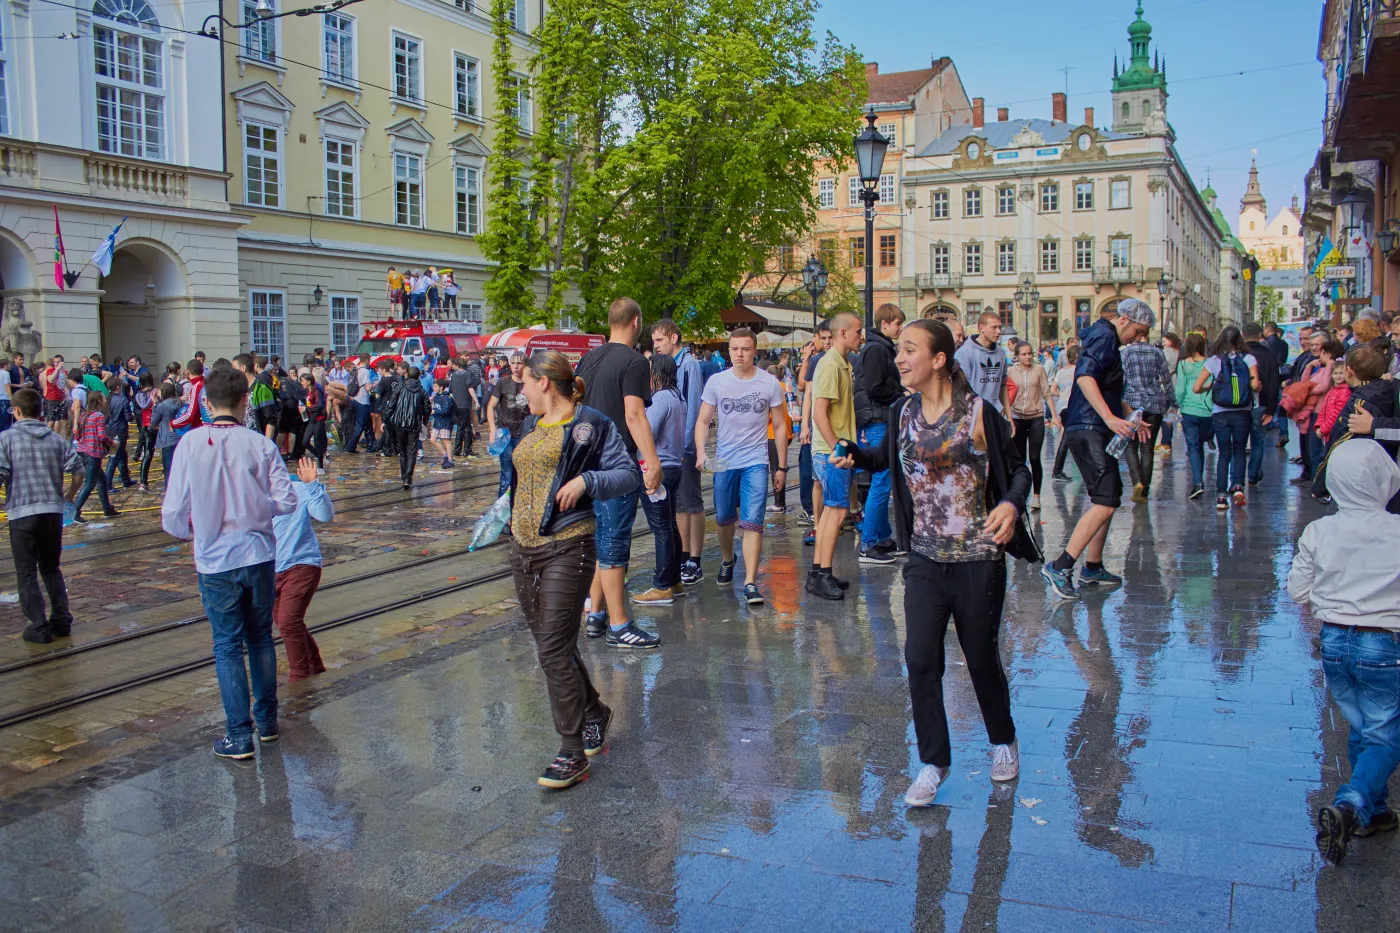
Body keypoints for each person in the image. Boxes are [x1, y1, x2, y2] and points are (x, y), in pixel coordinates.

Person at [834, 319, 1037, 806]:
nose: (899, 358)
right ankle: (933, 761)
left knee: (982, 659)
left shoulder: (978, 414)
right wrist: (855, 454)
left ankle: (1002, 739)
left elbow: (1020, 470)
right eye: (899, 350)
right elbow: (885, 458)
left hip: (977, 559)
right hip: (924, 556)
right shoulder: (902, 411)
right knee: (920, 658)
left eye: (909, 350)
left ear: (939, 360)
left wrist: (1010, 504)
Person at [508, 350, 640, 788]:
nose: (520, 390)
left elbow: (627, 475)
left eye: (524, 381)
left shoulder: (591, 425)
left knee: (550, 650)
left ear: (544, 382)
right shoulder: (529, 425)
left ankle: (571, 753)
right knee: (556, 649)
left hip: (568, 546)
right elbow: (523, 482)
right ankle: (594, 712)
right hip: (523, 550)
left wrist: (588, 481)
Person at [162, 366, 300, 760]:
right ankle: (268, 723)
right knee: (259, 638)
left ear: (205, 403)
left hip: (215, 558)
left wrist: (193, 532)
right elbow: (287, 501)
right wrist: (258, 507)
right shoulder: (260, 445)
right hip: (257, 554)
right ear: (245, 403)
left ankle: (239, 735)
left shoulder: (189, 444)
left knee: (226, 645)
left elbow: (173, 512)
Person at [1288, 440, 1400, 863]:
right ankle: (1351, 803)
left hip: (1335, 643)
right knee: (1387, 735)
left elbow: (1297, 589)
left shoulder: (1319, 530)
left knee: (1362, 724)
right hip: (1384, 643)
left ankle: (1376, 810)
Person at [1040, 298, 1154, 600]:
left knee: (1109, 496)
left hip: (1092, 427)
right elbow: (1087, 378)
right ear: (1126, 320)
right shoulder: (1104, 335)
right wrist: (1110, 418)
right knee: (1105, 499)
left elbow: (1106, 387)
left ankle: (1092, 566)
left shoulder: (1107, 338)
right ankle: (1060, 566)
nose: (1139, 339)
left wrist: (1130, 417)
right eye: (1139, 331)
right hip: (1088, 427)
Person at [575, 297, 663, 648]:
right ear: (636, 322)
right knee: (613, 541)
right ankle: (619, 624)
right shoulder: (634, 361)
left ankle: (596, 614)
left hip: (587, 460)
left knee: (600, 539)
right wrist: (652, 461)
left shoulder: (588, 358)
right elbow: (634, 414)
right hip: (616, 462)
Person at [694, 329, 787, 605]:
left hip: (756, 461)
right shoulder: (717, 382)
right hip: (724, 461)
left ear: (754, 351)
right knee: (724, 517)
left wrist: (781, 466)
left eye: (745, 349)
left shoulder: (769, 383)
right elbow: (702, 421)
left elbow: (780, 426)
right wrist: (701, 452)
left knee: (753, 522)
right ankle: (727, 558)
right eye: (734, 349)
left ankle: (750, 582)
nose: (739, 354)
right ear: (729, 350)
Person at [0, 388, 81, 643]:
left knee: (26, 571)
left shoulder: (6, 439)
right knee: (50, 568)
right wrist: (68, 496)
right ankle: (61, 619)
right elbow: (78, 471)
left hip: (22, 512)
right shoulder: (56, 439)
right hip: (52, 513)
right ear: (40, 411)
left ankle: (38, 625)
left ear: (16, 411)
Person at [808, 312, 863, 600]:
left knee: (832, 510)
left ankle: (818, 572)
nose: (860, 335)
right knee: (838, 510)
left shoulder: (841, 364)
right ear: (842, 333)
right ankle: (822, 575)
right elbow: (819, 412)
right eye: (857, 331)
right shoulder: (831, 365)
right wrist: (837, 449)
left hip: (833, 449)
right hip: (832, 453)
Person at [651, 320, 707, 585]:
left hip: (684, 447)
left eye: (659, 340)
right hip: (675, 449)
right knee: (679, 505)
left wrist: (687, 447)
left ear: (673, 338)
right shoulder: (672, 366)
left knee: (691, 502)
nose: (656, 346)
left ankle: (694, 560)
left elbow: (692, 407)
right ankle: (683, 555)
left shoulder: (689, 365)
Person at [633, 353, 687, 605]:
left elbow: (647, 431)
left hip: (658, 469)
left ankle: (662, 585)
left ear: (655, 374)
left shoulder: (661, 399)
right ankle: (674, 580)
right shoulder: (678, 396)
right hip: (675, 466)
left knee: (661, 528)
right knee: (669, 525)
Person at [272, 457, 332, 682]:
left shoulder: (298, 488)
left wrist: (312, 484)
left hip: (301, 565)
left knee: (288, 622)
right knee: (286, 622)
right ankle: (315, 666)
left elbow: (325, 515)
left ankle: (299, 676)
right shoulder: (250, 494)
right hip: (269, 569)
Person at [855, 304, 906, 562]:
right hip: (878, 418)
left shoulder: (879, 347)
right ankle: (869, 543)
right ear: (885, 323)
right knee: (881, 480)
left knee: (883, 479)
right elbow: (875, 389)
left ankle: (882, 537)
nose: (900, 328)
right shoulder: (876, 349)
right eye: (898, 323)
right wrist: (901, 394)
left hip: (878, 417)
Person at [1192, 325, 1260, 510]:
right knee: (1239, 450)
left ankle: (1221, 496)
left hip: (1220, 412)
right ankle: (1238, 486)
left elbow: (1196, 388)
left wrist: (1210, 387)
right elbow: (1255, 387)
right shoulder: (1248, 358)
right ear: (1241, 340)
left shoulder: (1214, 360)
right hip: (1243, 411)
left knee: (1224, 452)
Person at [1120, 331, 1172, 502]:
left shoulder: (1125, 353)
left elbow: (1122, 379)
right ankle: (1145, 490)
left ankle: (1137, 482)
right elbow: (1166, 379)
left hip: (1132, 403)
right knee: (1147, 447)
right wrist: (1170, 402)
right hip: (1154, 403)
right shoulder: (1157, 352)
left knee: (1130, 445)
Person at [797, 322, 834, 543]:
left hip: (838, 426)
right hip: (817, 427)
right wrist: (805, 425)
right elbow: (805, 389)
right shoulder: (817, 361)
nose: (828, 342)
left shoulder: (848, 360)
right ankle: (818, 521)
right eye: (825, 338)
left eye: (831, 337)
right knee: (816, 477)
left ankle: (841, 514)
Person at [1008, 340, 1051, 510]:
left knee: (1034, 457)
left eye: (1030, 353)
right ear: (1017, 356)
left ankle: (1036, 495)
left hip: (1036, 418)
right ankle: (1019, 494)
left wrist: (1054, 416)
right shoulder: (1010, 371)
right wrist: (1005, 415)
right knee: (1019, 459)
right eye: (1024, 354)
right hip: (1017, 417)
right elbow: (1007, 394)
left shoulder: (1039, 369)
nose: (1027, 357)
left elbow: (1047, 393)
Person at [1292, 336, 1340, 484]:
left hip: (1320, 410)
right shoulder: (1322, 368)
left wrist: (1307, 392)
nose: (1316, 350)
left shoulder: (1331, 366)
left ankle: (1316, 481)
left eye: (1320, 348)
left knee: (1315, 449)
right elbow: (1305, 382)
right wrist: (1309, 367)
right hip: (1313, 410)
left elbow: (1324, 386)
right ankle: (1311, 477)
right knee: (1309, 446)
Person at [1173, 333, 1214, 500]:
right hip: (1208, 409)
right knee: (1200, 444)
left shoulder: (1183, 364)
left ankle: (1198, 482)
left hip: (1189, 409)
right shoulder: (1210, 363)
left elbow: (1181, 389)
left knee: (1193, 446)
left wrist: (1178, 404)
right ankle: (1199, 479)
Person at [70, 389, 117, 524]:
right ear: (98, 401)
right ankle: (75, 512)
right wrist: (112, 443)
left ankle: (107, 509)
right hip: (93, 454)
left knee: (102, 480)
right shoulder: (98, 416)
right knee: (89, 484)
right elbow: (102, 435)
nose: (105, 401)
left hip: (82, 451)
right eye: (103, 398)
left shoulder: (84, 415)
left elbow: (77, 434)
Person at [1242, 323, 1279, 487]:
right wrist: (1271, 408)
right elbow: (1273, 381)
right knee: (1258, 441)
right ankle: (1252, 474)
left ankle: (1236, 477)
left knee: (1239, 443)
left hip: (1240, 403)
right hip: (1261, 402)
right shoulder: (1268, 354)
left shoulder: (1240, 354)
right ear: (1260, 335)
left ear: (1243, 335)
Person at [487, 352, 529, 496]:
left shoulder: (530, 384)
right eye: (513, 363)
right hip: (506, 435)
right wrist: (492, 429)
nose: (516, 366)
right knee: (507, 474)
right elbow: (491, 406)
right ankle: (504, 511)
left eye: (520, 363)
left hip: (525, 435)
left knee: (523, 473)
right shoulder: (503, 383)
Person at [954, 310, 1011, 414]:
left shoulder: (1001, 353)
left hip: (996, 414)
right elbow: (961, 390)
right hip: (973, 414)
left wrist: (1009, 416)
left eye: (1000, 327)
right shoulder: (965, 353)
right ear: (981, 328)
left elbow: (1003, 386)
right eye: (994, 327)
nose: (998, 331)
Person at [386, 364, 428, 489]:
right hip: (413, 424)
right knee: (411, 452)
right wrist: (424, 421)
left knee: (403, 452)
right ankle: (407, 478)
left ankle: (404, 476)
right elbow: (427, 408)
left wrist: (386, 419)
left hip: (399, 423)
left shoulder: (400, 388)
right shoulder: (421, 391)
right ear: (418, 376)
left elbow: (391, 403)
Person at [1049, 345, 1079, 482]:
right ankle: (1057, 470)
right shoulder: (1078, 370)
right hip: (1074, 406)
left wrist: (1063, 394)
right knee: (1067, 438)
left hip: (1063, 407)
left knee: (1069, 437)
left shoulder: (1061, 372)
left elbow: (1053, 390)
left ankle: (1058, 470)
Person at [102, 373, 135, 490]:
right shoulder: (122, 400)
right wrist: (132, 416)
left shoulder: (106, 399)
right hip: (119, 431)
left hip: (109, 430)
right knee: (114, 458)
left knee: (122, 456)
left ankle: (126, 480)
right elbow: (128, 417)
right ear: (118, 387)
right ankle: (107, 484)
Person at [1156, 333, 1181, 452]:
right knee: (1170, 413)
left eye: (1164, 341)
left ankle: (1165, 442)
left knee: (1165, 414)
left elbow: (1159, 366)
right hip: (1175, 383)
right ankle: (1167, 441)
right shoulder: (1178, 351)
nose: (1162, 343)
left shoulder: (1167, 352)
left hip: (1166, 386)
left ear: (1170, 341)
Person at [298, 372, 328, 471]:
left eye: (303, 381)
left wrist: (306, 408)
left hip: (318, 419)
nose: (301, 383)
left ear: (308, 381)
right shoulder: (308, 391)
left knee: (317, 442)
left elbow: (319, 405)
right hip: (312, 419)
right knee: (305, 441)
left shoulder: (316, 390)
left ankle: (320, 466)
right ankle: (320, 457)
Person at [449, 356, 476, 459]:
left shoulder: (454, 374)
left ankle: (457, 449)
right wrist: (476, 400)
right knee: (467, 428)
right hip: (464, 404)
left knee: (460, 426)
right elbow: (469, 387)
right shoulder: (467, 374)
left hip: (456, 404)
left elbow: (450, 389)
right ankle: (466, 450)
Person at [430, 378, 456, 469]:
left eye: (435, 386)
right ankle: (445, 455)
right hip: (437, 422)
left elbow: (446, 411)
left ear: (441, 387)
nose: (433, 388)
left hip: (445, 422)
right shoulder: (436, 397)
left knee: (446, 440)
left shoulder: (446, 398)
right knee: (432, 439)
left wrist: (435, 412)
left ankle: (450, 460)